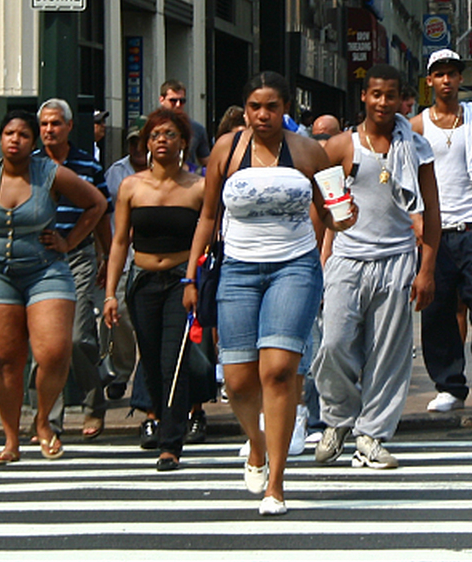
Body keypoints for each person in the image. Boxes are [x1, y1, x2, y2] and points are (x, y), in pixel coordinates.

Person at [184, 71, 354, 516]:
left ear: (285, 110)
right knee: (238, 380)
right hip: (238, 269)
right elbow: (207, 216)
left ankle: (275, 483)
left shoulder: (309, 151)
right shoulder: (228, 149)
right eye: (255, 107)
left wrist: (345, 216)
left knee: (277, 371)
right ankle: (255, 444)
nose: (263, 115)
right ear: (245, 110)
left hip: (294, 268)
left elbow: (334, 213)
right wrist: (190, 275)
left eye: (272, 106)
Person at [0, 110, 106, 464]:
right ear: (0, 137)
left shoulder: (50, 174)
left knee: (54, 351)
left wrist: (69, 241)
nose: (15, 139)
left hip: (46, 271)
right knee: (7, 361)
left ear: (32, 141)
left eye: (23, 134)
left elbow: (96, 204)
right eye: (8, 133)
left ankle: (43, 422)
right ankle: (10, 441)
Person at [314, 64, 441, 470]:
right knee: (333, 344)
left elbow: (433, 213)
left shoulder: (416, 146)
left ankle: (371, 434)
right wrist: (321, 248)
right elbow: (317, 204)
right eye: (375, 94)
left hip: (398, 260)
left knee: (388, 354)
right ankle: (338, 419)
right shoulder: (340, 146)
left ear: (402, 98)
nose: (383, 102)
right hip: (347, 260)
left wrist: (426, 270)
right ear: (364, 98)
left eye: (390, 95)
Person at [104, 107, 207, 469]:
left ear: (184, 142)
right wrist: (110, 293)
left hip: (181, 280)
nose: (162, 140)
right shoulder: (131, 186)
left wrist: (194, 279)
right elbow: (119, 242)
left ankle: (171, 443)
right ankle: (159, 419)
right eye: (155, 135)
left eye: (170, 134)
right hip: (142, 280)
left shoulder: (198, 187)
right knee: (149, 361)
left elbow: (207, 236)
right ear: (146, 143)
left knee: (172, 362)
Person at [412, 49, 472, 411]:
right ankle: (449, 385)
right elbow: (405, 177)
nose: (447, 80)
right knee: (436, 310)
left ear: (460, 79)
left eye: (452, 73)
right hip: (436, 234)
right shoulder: (418, 125)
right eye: (440, 74)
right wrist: (415, 221)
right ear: (430, 81)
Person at [36, 98, 113, 435]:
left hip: (78, 256)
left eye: (56, 124)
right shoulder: (29, 165)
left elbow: (100, 214)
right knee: (47, 343)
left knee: (79, 336)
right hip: (38, 261)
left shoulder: (88, 166)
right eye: (44, 125)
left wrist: (108, 257)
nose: (49, 130)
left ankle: (94, 403)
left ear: (69, 127)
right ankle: (49, 419)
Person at [159, 79, 213, 167]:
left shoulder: (197, 129)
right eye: (173, 101)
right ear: (162, 100)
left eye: (182, 101)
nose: (178, 105)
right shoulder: (151, 126)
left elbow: (207, 162)